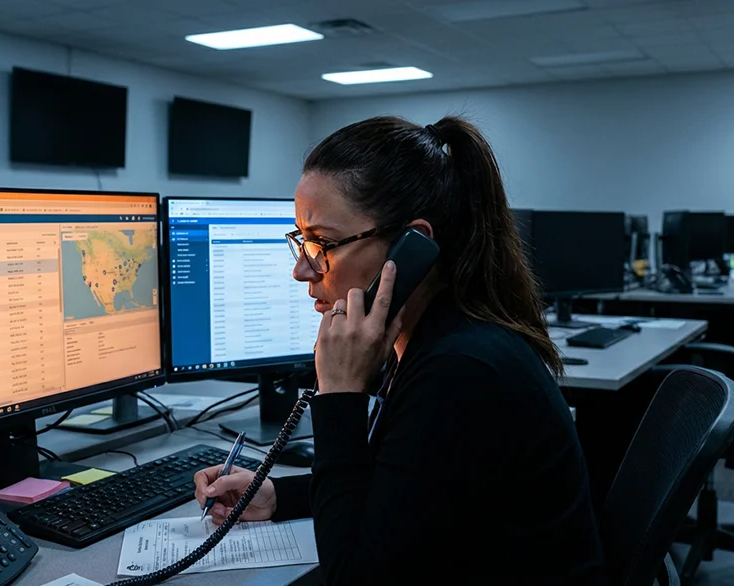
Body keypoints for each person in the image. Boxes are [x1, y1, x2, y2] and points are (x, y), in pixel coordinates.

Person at [194, 115, 607, 585]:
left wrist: (340, 395)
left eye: (323, 244)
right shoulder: (434, 339)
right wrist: (279, 496)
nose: (303, 272)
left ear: (413, 247)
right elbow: (405, 487)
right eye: (301, 242)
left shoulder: (460, 371)